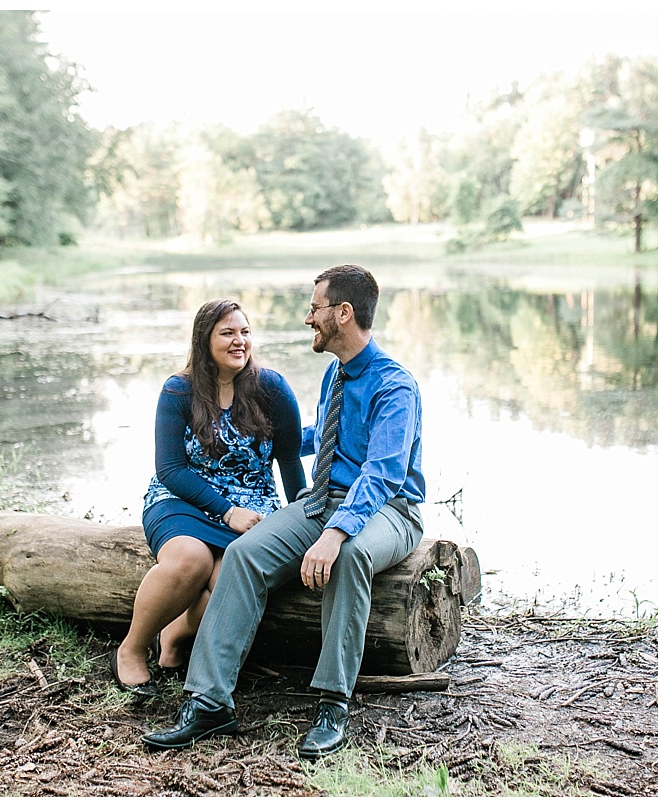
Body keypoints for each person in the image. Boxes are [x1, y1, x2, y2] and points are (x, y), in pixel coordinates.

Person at [142, 264, 425, 760]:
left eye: (315, 308)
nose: (308, 317)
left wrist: (334, 534)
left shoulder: (394, 386)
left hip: (390, 510)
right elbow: (325, 442)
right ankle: (209, 701)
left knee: (351, 555)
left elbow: (380, 475)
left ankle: (333, 704)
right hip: (326, 501)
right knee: (247, 553)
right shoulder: (336, 373)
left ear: (343, 313)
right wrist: (278, 438)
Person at [111, 299, 305, 699]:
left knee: (228, 578)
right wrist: (225, 510)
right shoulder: (179, 390)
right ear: (205, 340)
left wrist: (307, 517)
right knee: (191, 560)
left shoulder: (272, 388)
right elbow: (170, 469)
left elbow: (289, 462)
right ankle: (131, 650)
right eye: (228, 333)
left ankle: (176, 632)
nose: (240, 341)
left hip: (253, 508)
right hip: (182, 499)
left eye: (245, 332)